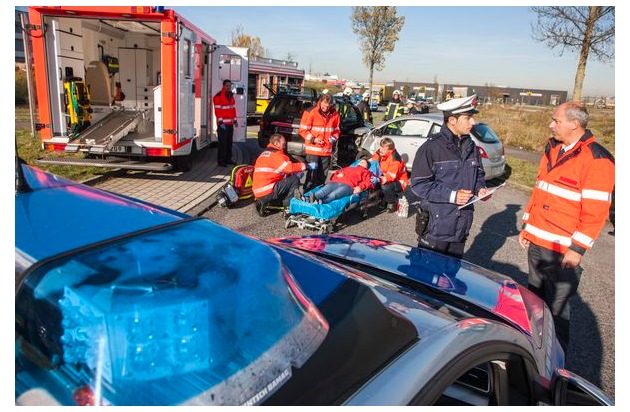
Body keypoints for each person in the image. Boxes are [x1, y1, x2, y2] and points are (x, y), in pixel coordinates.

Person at [518, 101, 614, 351]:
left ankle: (555, 363)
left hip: (562, 252)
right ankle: (531, 354)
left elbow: (595, 213)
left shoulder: (597, 160)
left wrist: (577, 250)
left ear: (575, 124)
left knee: (556, 312)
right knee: (534, 304)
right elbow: (540, 191)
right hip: (538, 242)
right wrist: (528, 226)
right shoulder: (552, 149)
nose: (551, 125)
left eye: (556, 121)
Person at [409, 94, 491, 258]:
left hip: (461, 226)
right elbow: (419, 184)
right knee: (427, 271)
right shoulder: (431, 148)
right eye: (468, 118)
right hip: (436, 228)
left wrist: (481, 189)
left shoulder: (471, 147)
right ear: (452, 120)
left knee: (452, 272)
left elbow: (478, 174)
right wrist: (452, 196)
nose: (473, 122)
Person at [252, 133, 310, 217]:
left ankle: (268, 202)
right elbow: (289, 168)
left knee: (289, 178)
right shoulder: (276, 155)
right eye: (283, 144)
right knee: (294, 179)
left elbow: (280, 172)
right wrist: (304, 166)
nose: (285, 146)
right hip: (267, 191)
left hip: (259, 192)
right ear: (276, 143)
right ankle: (288, 206)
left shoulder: (266, 153)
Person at [299, 93, 340, 191]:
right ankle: (307, 194)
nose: (326, 106)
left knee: (322, 176)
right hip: (313, 150)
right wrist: (314, 139)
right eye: (324, 103)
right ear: (320, 102)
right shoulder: (311, 112)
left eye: (329, 104)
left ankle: (318, 194)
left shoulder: (335, 114)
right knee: (311, 175)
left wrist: (333, 138)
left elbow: (337, 130)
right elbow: (303, 130)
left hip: (326, 151)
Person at [308, 159, 377, 204]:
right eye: (361, 161)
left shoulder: (367, 172)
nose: (361, 162)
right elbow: (334, 175)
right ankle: (310, 198)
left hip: (349, 186)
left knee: (334, 194)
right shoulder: (349, 168)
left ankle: (322, 202)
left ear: (367, 166)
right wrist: (337, 175)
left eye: (364, 162)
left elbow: (369, 182)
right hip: (336, 182)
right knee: (324, 190)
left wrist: (360, 187)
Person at [370, 137, 409, 213]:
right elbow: (372, 161)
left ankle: (392, 202)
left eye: (384, 149)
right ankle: (382, 198)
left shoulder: (395, 160)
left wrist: (378, 179)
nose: (381, 150)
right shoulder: (380, 152)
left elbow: (390, 177)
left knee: (385, 186)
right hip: (386, 176)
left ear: (390, 150)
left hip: (399, 181)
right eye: (380, 147)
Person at [213, 79, 238, 167]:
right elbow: (217, 111)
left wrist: (235, 120)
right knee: (222, 144)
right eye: (227, 85)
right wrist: (220, 122)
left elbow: (233, 109)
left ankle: (228, 159)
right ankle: (221, 161)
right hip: (223, 124)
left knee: (229, 143)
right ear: (223, 86)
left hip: (230, 124)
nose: (228, 87)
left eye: (230, 85)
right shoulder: (218, 96)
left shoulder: (230, 95)